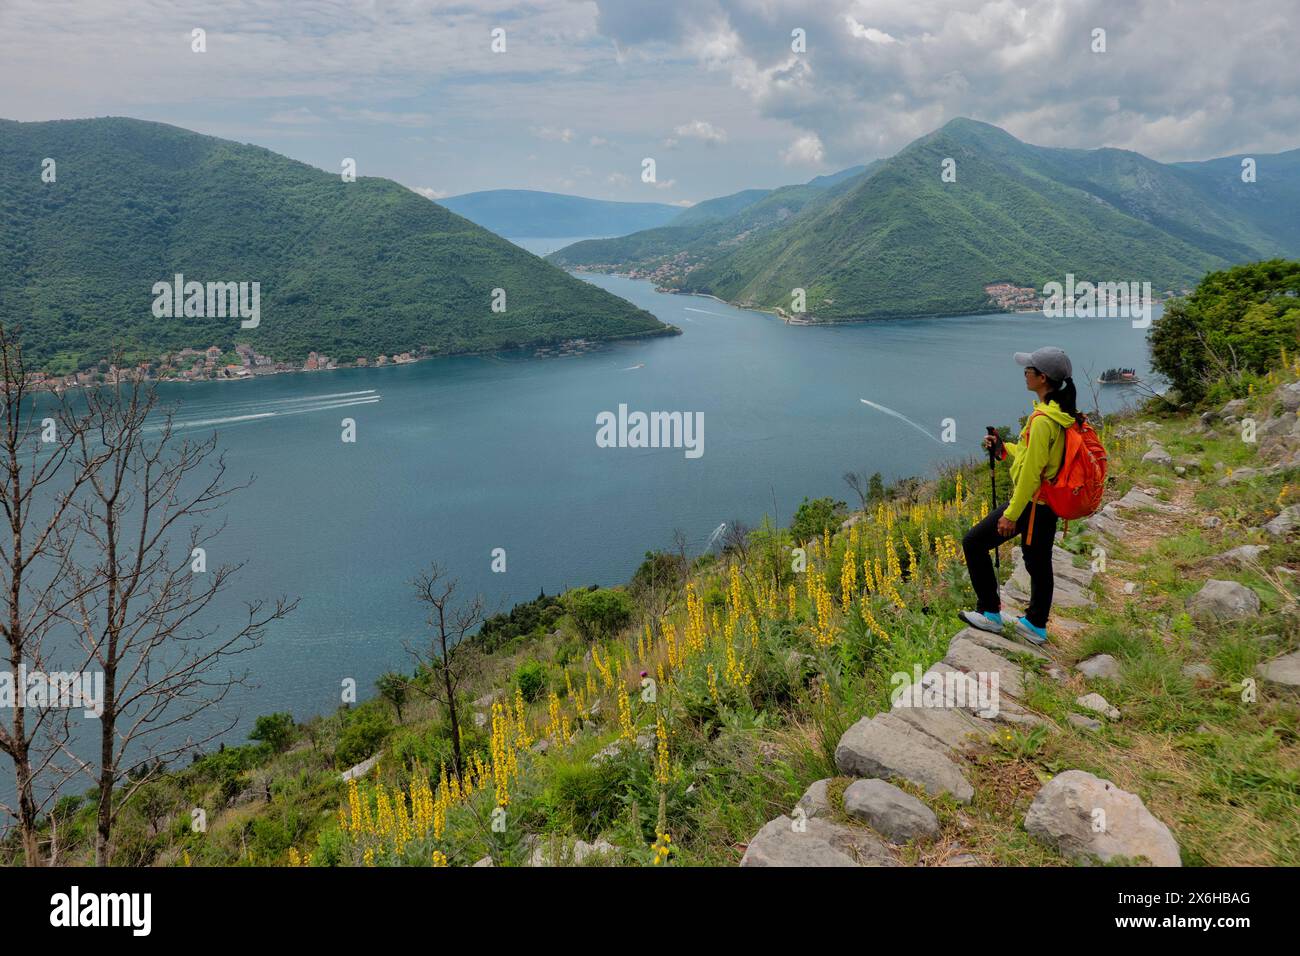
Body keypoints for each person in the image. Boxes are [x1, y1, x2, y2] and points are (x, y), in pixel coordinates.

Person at [959, 346, 1079, 645]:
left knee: (973, 543)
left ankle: (990, 613)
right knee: (1038, 563)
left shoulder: (1041, 421)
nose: (1024, 373)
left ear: (1043, 378)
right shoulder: (1061, 415)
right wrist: (1003, 448)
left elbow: (1029, 475)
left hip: (1032, 504)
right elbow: (1033, 459)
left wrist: (1011, 514)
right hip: (1048, 504)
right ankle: (1036, 625)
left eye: (1029, 370)